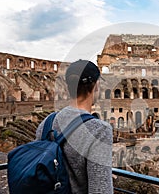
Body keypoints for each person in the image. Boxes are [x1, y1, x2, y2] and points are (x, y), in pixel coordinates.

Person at [36, 59, 113, 193]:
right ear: (96, 86)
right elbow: (101, 190)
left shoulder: (47, 122)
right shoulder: (99, 130)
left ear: (68, 87)